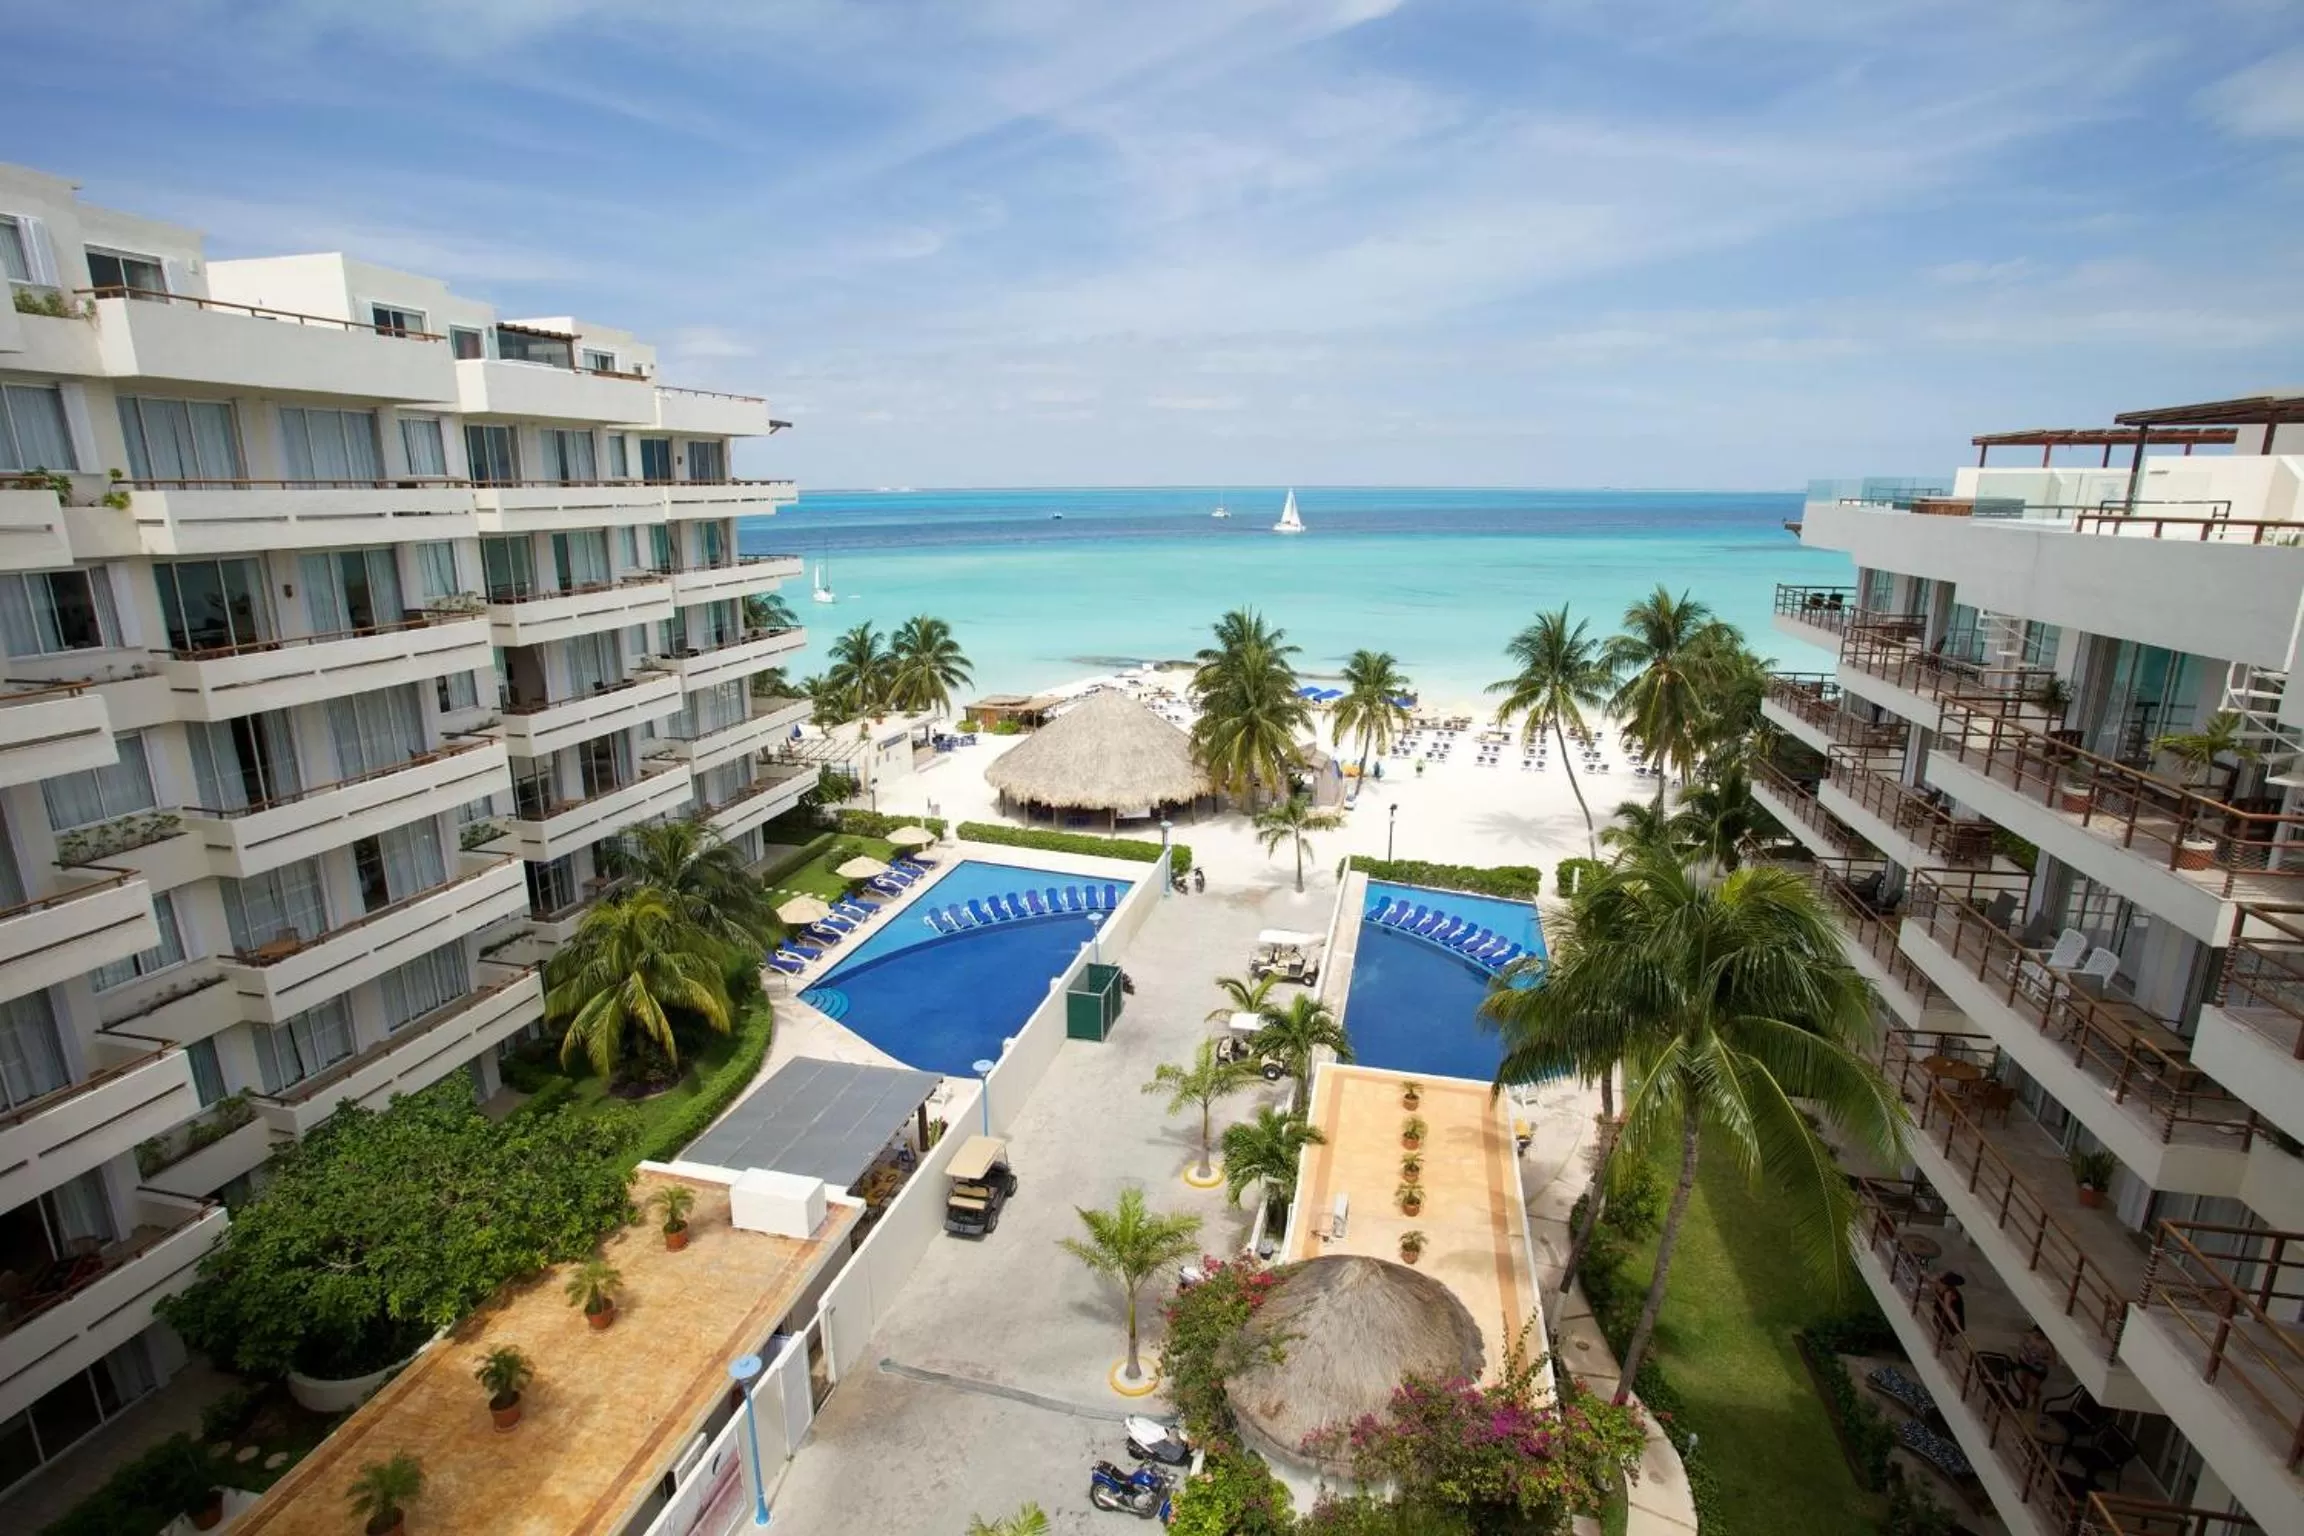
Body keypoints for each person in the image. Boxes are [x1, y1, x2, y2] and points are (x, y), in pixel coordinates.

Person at [2013, 1325, 2052, 1406]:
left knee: (2031, 1389)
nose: (2036, 1337)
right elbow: (2021, 1344)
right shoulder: (2027, 1336)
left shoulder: (2047, 1345)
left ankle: (2036, 1395)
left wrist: (2039, 1360)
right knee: (2023, 1381)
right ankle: (2023, 1398)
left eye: (2039, 1336)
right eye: (2035, 1335)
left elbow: (2053, 1361)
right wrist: (2024, 1351)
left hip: (2038, 1368)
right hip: (2025, 1361)